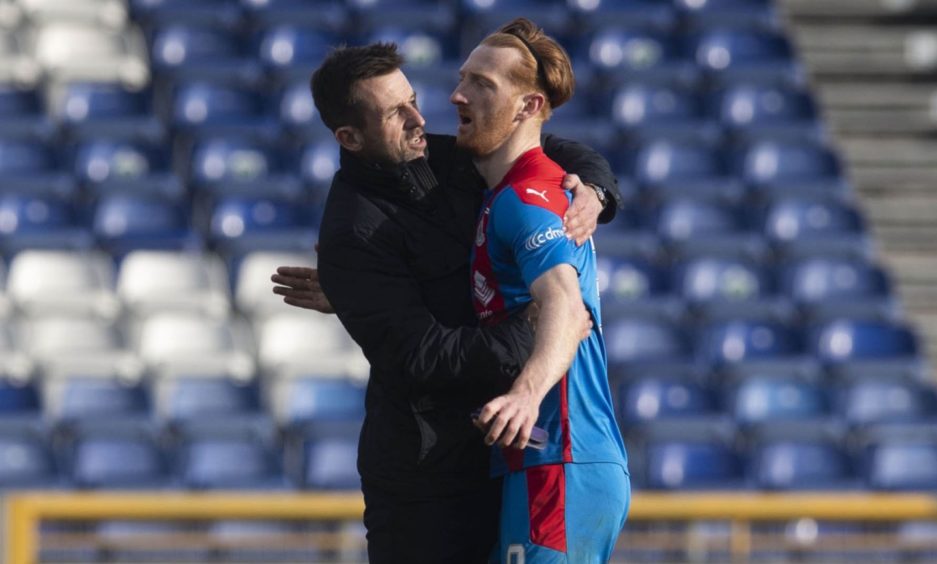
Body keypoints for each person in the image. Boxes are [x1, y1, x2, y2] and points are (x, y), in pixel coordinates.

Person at [270, 43, 621, 563]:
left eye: (413, 100)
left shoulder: (448, 157)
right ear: (349, 137)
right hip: (426, 487)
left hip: (501, 455)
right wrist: (533, 329)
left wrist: (595, 190)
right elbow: (424, 357)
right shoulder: (352, 233)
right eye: (395, 113)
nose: (418, 118)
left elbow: (546, 149)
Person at [454, 18, 630, 562]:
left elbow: (564, 304)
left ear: (529, 107)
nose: (458, 94)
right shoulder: (507, 191)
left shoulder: (527, 198)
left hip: (561, 458)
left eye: (483, 84)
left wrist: (526, 394)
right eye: (463, 79)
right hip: (544, 457)